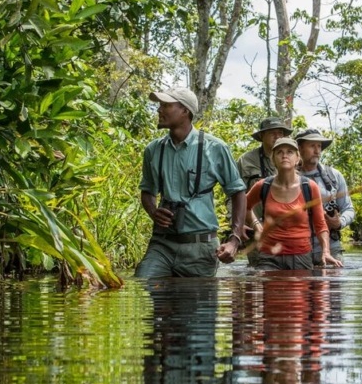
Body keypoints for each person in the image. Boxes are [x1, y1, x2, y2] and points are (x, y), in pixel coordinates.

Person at [135, 87, 248, 278]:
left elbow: (237, 192)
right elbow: (147, 191)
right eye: (160, 105)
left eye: (166, 105)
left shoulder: (215, 148)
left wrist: (234, 240)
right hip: (162, 244)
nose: (159, 110)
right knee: (143, 282)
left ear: (185, 110)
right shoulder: (153, 150)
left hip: (201, 246)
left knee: (196, 302)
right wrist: (153, 211)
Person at [245, 137, 342, 270]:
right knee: (269, 289)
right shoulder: (263, 185)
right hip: (269, 257)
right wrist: (256, 225)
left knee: (298, 290)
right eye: (279, 152)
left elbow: (320, 224)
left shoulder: (309, 187)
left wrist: (326, 252)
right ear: (273, 159)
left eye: (290, 152)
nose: (284, 155)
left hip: (301, 256)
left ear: (297, 158)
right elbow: (244, 206)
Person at [234, 117, 292, 267]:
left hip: (288, 231)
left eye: (280, 133)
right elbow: (234, 195)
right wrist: (236, 223)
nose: (277, 136)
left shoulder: (292, 159)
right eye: (272, 133)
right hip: (256, 229)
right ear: (261, 136)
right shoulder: (246, 160)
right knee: (259, 275)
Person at [295, 129, 355, 265]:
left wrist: (339, 222)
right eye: (312, 146)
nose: (317, 151)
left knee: (333, 283)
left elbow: (349, 209)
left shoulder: (334, 176)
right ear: (299, 149)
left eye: (319, 146)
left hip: (331, 248)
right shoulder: (287, 178)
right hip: (298, 250)